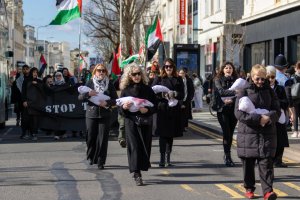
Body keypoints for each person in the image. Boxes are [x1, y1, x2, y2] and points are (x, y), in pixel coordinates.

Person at [235, 64, 280, 200]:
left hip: (266, 133)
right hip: (248, 133)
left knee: (266, 163)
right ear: (251, 77)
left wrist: (268, 118)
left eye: (262, 79)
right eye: (257, 79)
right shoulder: (244, 90)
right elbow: (238, 113)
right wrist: (258, 119)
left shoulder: (271, 91)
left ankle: (268, 191)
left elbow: (277, 110)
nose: (260, 81)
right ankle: (249, 188)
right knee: (248, 163)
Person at [119, 63, 157, 186]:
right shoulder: (125, 90)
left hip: (145, 121)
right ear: (129, 76)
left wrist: (147, 110)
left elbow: (155, 106)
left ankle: (140, 168)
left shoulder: (147, 89)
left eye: (138, 73)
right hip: (131, 122)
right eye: (133, 74)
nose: (136, 76)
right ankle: (136, 174)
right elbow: (120, 110)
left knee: (144, 147)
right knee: (134, 147)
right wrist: (124, 107)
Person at [78, 64, 118, 170]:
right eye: (99, 70)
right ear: (95, 72)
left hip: (105, 114)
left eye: (103, 71)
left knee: (103, 138)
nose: (101, 72)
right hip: (91, 114)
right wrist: (88, 94)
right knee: (91, 137)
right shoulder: (90, 83)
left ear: (106, 72)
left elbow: (115, 100)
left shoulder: (109, 84)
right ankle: (91, 156)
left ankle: (101, 161)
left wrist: (107, 102)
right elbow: (80, 97)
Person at [152, 58, 184, 167]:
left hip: (173, 109)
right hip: (162, 109)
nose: (168, 68)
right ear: (163, 68)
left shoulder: (178, 79)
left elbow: (182, 94)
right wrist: (163, 95)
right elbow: (152, 93)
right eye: (166, 66)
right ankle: (161, 159)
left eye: (170, 66)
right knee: (162, 135)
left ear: (173, 67)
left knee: (170, 135)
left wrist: (174, 93)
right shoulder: (159, 78)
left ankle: (168, 158)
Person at [213, 61, 238, 167]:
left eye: (230, 68)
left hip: (233, 110)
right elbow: (221, 91)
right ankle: (227, 156)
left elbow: (242, 92)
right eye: (226, 68)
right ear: (222, 70)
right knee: (226, 133)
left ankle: (227, 154)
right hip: (222, 109)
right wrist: (234, 92)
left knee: (231, 133)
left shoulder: (236, 80)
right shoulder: (217, 80)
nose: (228, 69)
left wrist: (234, 98)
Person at [266, 65, 289, 168]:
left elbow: (286, 102)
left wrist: (276, 102)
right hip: (267, 117)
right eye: (268, 77)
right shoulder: (263, 89)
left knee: (281, 139)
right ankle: (268, 159)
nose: (270, 79)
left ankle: (278, 160)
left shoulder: (280, 88)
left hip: (279, 116)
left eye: (272, 77)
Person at [22, 67, 43, 141]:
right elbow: (23, 91)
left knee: (35, 120)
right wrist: (24, 101)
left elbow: (43, 89)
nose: (35, 73)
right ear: (31, 73)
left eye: (36, 72)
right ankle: (26, 133)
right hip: (28, 103)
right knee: (26, 119)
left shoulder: (39, 81)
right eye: (34, 72)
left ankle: (34, 133)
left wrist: (37, 84)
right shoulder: (26, 81)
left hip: (36, 104)